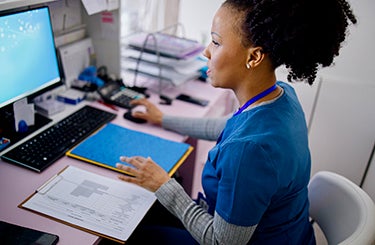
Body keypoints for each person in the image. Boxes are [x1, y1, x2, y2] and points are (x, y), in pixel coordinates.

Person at [115, 0, 357, 244]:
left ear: (254, 57)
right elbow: (225, 126)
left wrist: (163, 184)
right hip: (292, 236)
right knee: (149, 211)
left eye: (216, 42)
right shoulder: (281, 97)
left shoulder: (249, 150)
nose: (206, 51)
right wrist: (162, 118)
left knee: (133, 232)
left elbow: (221, 242)